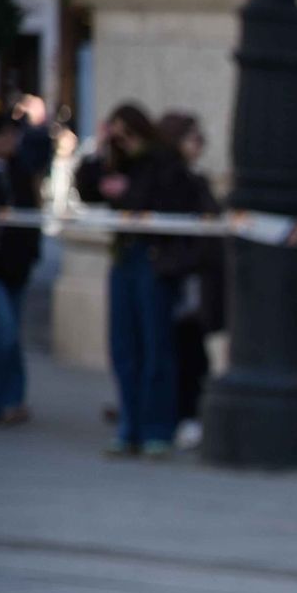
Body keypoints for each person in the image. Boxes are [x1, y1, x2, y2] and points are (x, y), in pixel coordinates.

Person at [73, 102, 194, 457]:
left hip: (153, 259)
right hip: (124, 256)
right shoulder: (117, 159)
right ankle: (130, 425)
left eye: (127, 133)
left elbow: (161, 200)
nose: (123, 140)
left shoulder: (162, 160)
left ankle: (156, 428)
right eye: (117, 133)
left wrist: (124, 189)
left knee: (155, 345)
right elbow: (88, 186)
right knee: (124, 346)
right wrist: (101, 146)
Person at [155, 111, 227, 451]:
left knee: (192, 350)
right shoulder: (171, 179)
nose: (199, 144)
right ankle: (181, 416)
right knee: (185, 351)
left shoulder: (194, 179)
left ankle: (187, 414)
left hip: (195, 277)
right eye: (192, 138)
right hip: (180, 277)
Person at [0, 113, 42, 426]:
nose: (9, 142)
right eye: (4, 135)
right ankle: (2, 399)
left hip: (16, 266)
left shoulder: (21, 171)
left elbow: (32, 218)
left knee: (8, 335)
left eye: (13, 135)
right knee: (2, 332)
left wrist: (32, 254)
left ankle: (3, 399)